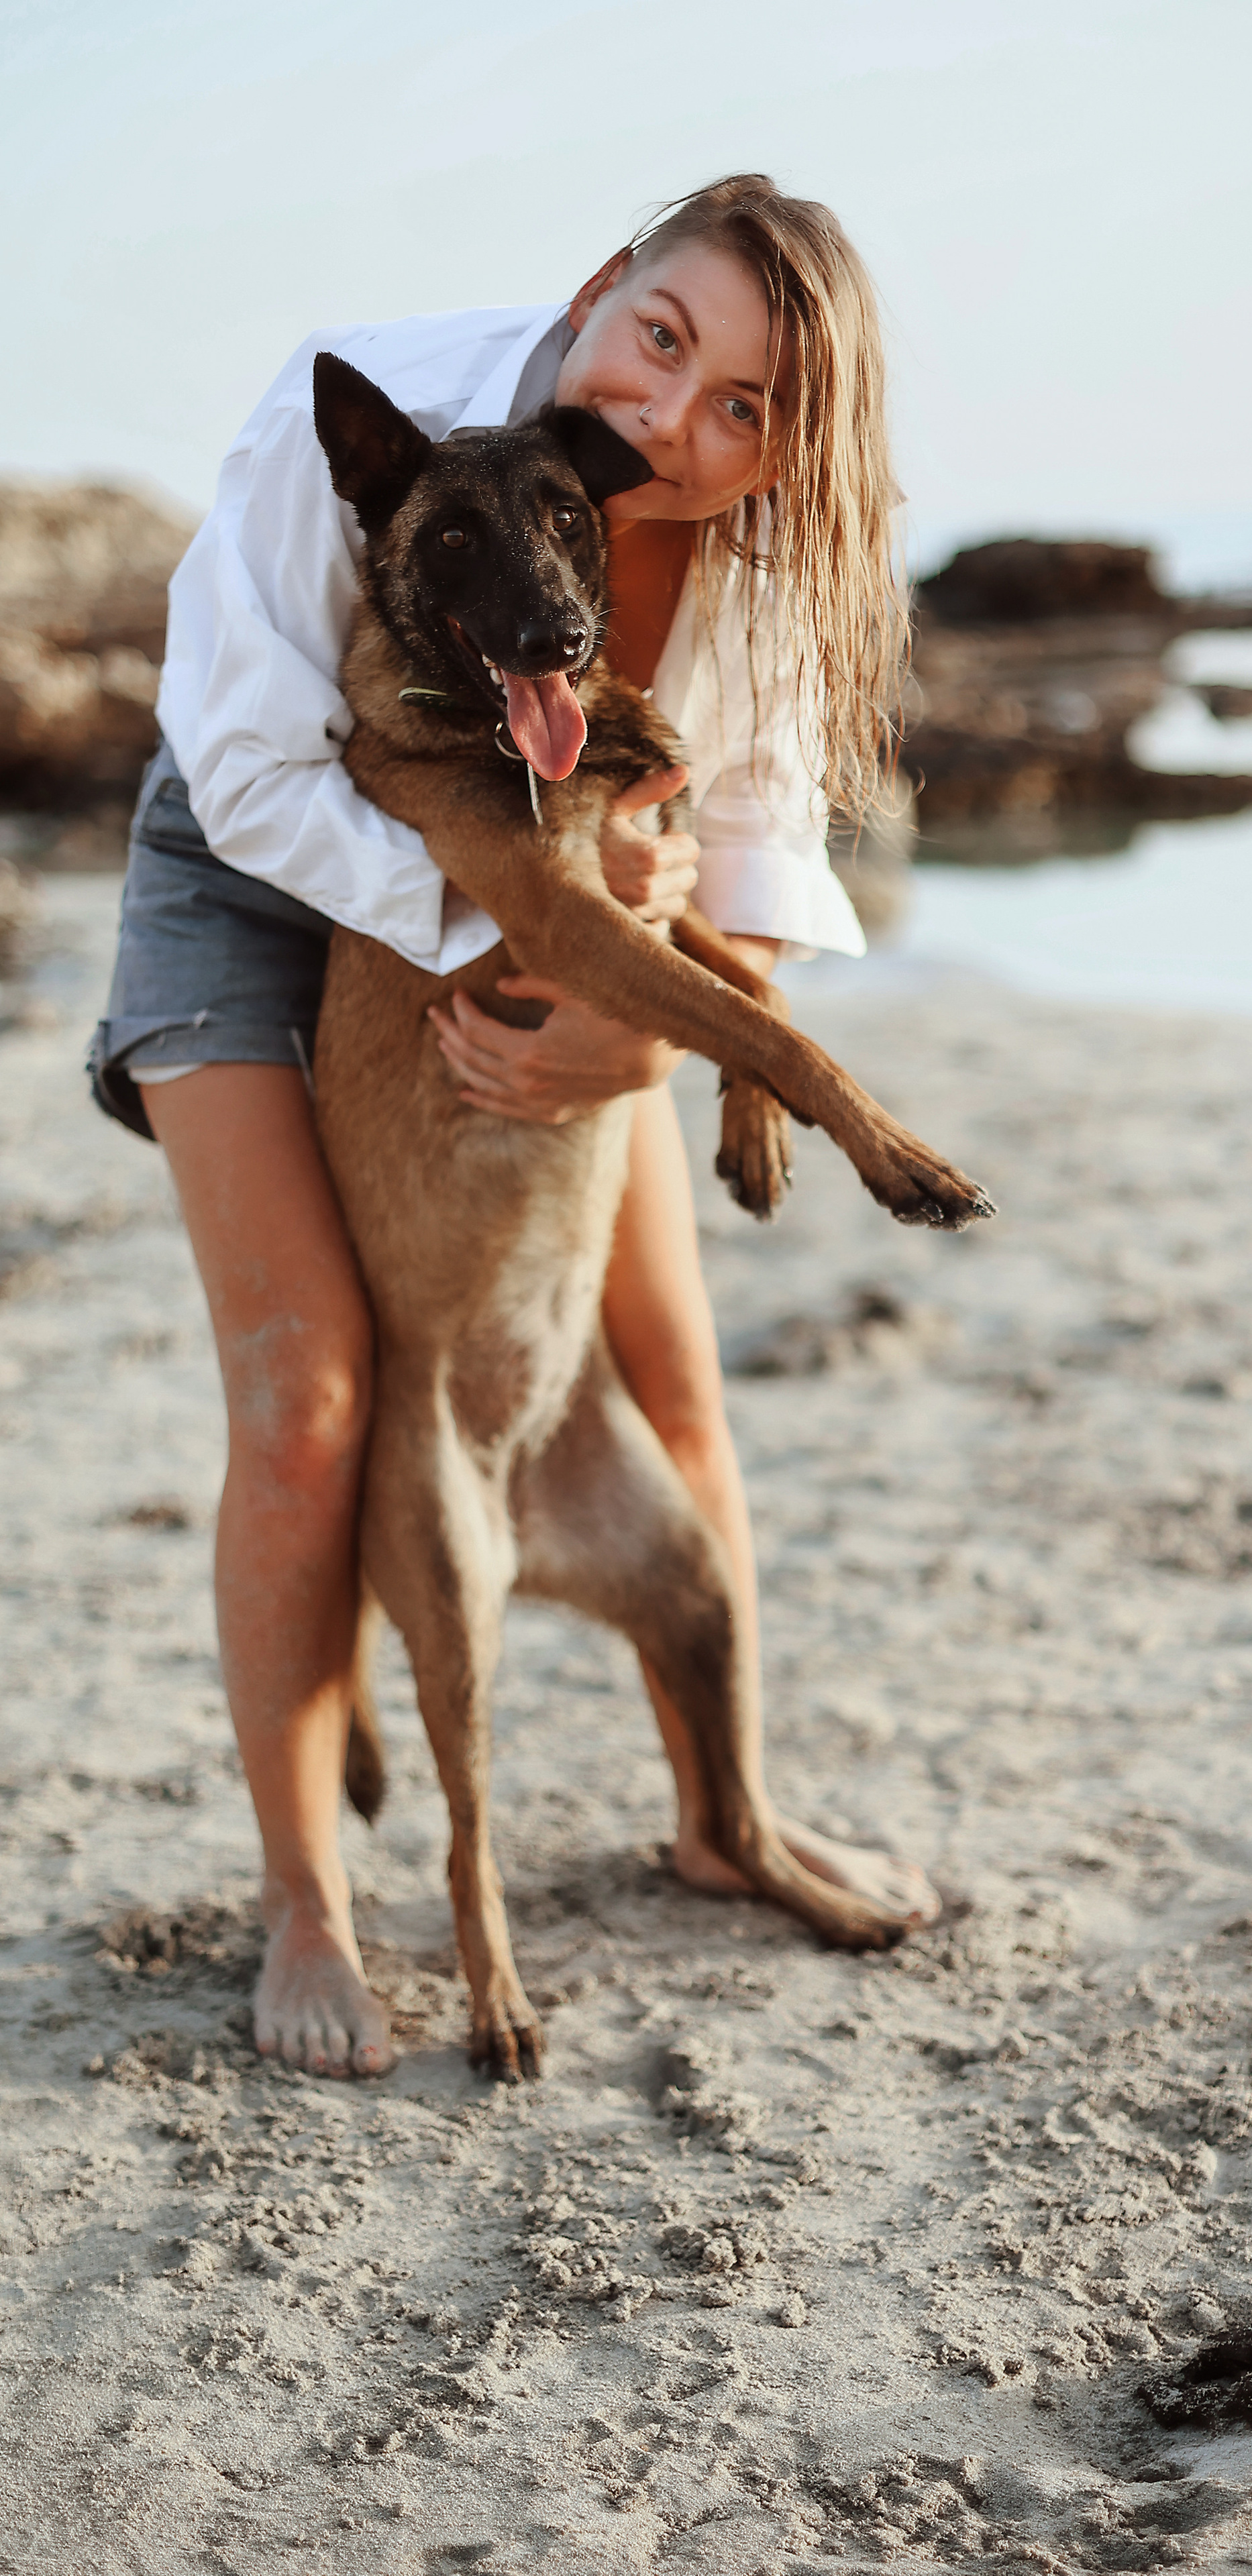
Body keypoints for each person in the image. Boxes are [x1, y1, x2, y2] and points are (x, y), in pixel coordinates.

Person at [90, 174, 939, 2082]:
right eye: (662, 340)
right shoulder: (377, 410)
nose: (671, 421)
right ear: (598, 291)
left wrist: (627, 1051)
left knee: (672, 1384)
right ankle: (309, 1903)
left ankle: (726, 1816)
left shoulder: (747, 574)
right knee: (311, 1392)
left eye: (743, 411)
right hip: (263, 850)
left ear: (789, 457)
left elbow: (755, 861)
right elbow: (238, 768)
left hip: (560, 873)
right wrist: (507, 938)